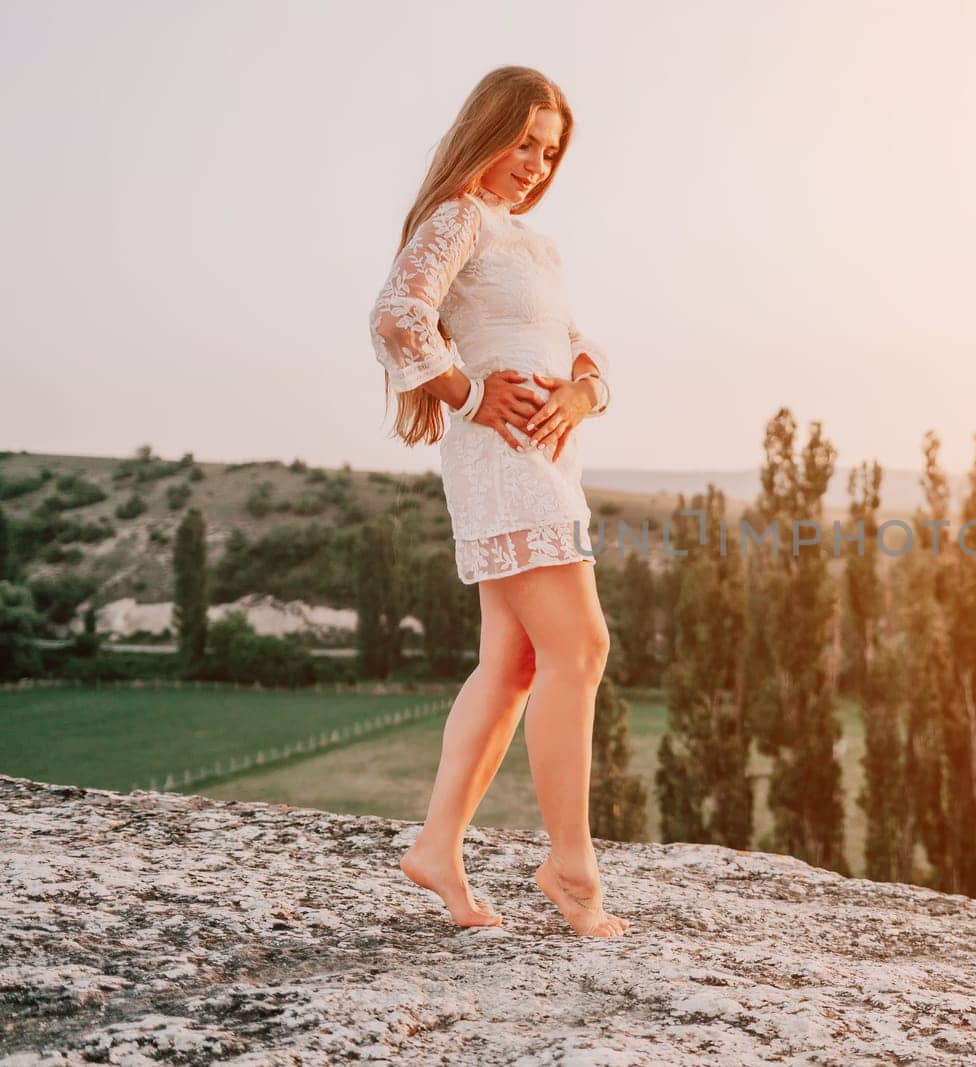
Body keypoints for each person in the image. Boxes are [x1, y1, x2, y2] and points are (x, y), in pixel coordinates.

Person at [366, 65, 628, 938]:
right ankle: (572, 866)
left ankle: (438, 846)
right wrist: (472, 396)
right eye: (523, 142)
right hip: (504, 456)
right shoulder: (458, 219)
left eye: (549, 151)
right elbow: (399, 314)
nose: (535, 163)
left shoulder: (531, 242)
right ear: (486, 132)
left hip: (546, 459)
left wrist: (586, 392)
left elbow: (575, 342)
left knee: (514, 663)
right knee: (581, 647)